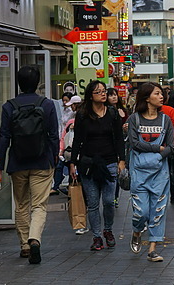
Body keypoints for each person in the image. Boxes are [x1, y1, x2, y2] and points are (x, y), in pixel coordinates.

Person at [0, 66, 59, 264]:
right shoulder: (46, 105)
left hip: (17, 162)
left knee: (21, 205)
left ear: (18, 83)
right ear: (37, 83)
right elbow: (53, 135)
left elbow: (4, 137)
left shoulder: (9, 106)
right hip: (42, 161)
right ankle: (35, 239)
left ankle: (25, 246)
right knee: (39, 205)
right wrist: (54, 159)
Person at [69, 80, 126, 251]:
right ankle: (96, 237)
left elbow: (118, 139)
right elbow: (77, 140)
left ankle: (107, 229)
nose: (103, 94)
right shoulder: (82, 114)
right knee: (93, 203)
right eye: (98, 91)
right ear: (90, 95)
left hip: (109, 162)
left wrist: (121, 160)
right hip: (88, 163)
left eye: (104, 91)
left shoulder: (113, 113)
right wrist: (73, 163)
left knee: (109, 201)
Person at [127, 83, 174, 262]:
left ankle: (153, 248)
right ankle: (137, 230)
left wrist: (157, 156)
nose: (161, 96)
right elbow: (133, 143)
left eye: (161, 94)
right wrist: (156, 148)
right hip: (139, 173)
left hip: (159, 175)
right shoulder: (134, 119)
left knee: (158, 211)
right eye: (157, 93)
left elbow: (171, 146)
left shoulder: (166, 120)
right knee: (141, 212)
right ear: (147, 98)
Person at [108, 87, 130, 207]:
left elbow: (127, 126)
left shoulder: (123, 110)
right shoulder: (105, 111)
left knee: (118, 170)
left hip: (122, 143)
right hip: (110, 144)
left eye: (115, 95)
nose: (114, 97)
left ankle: (115, 196)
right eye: (111, 95)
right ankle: (111, 195)